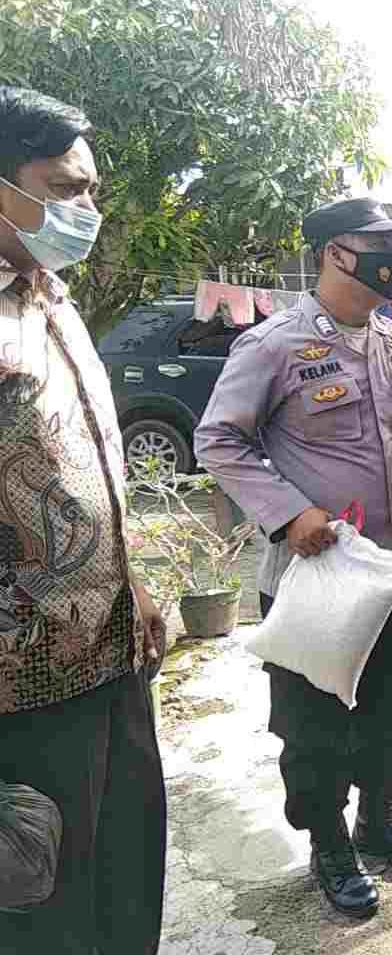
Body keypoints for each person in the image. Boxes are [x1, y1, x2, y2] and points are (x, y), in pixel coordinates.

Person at [195, 198, 392, 918]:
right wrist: (288, 512)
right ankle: (329, 842)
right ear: (336, 252)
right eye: (378, 245)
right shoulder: (273, 344)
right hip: (313, 578)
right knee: (314, 728)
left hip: (386, 572)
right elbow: (219, 439)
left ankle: (379, 821)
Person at [0, 87, 168, 954]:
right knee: (47, 909)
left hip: (110, 653)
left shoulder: (52, 298)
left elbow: (91, 463)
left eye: (91, 189)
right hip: (21, 687)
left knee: (127, 877)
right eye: (65, 190)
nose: (87, 211)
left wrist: (136, 586)